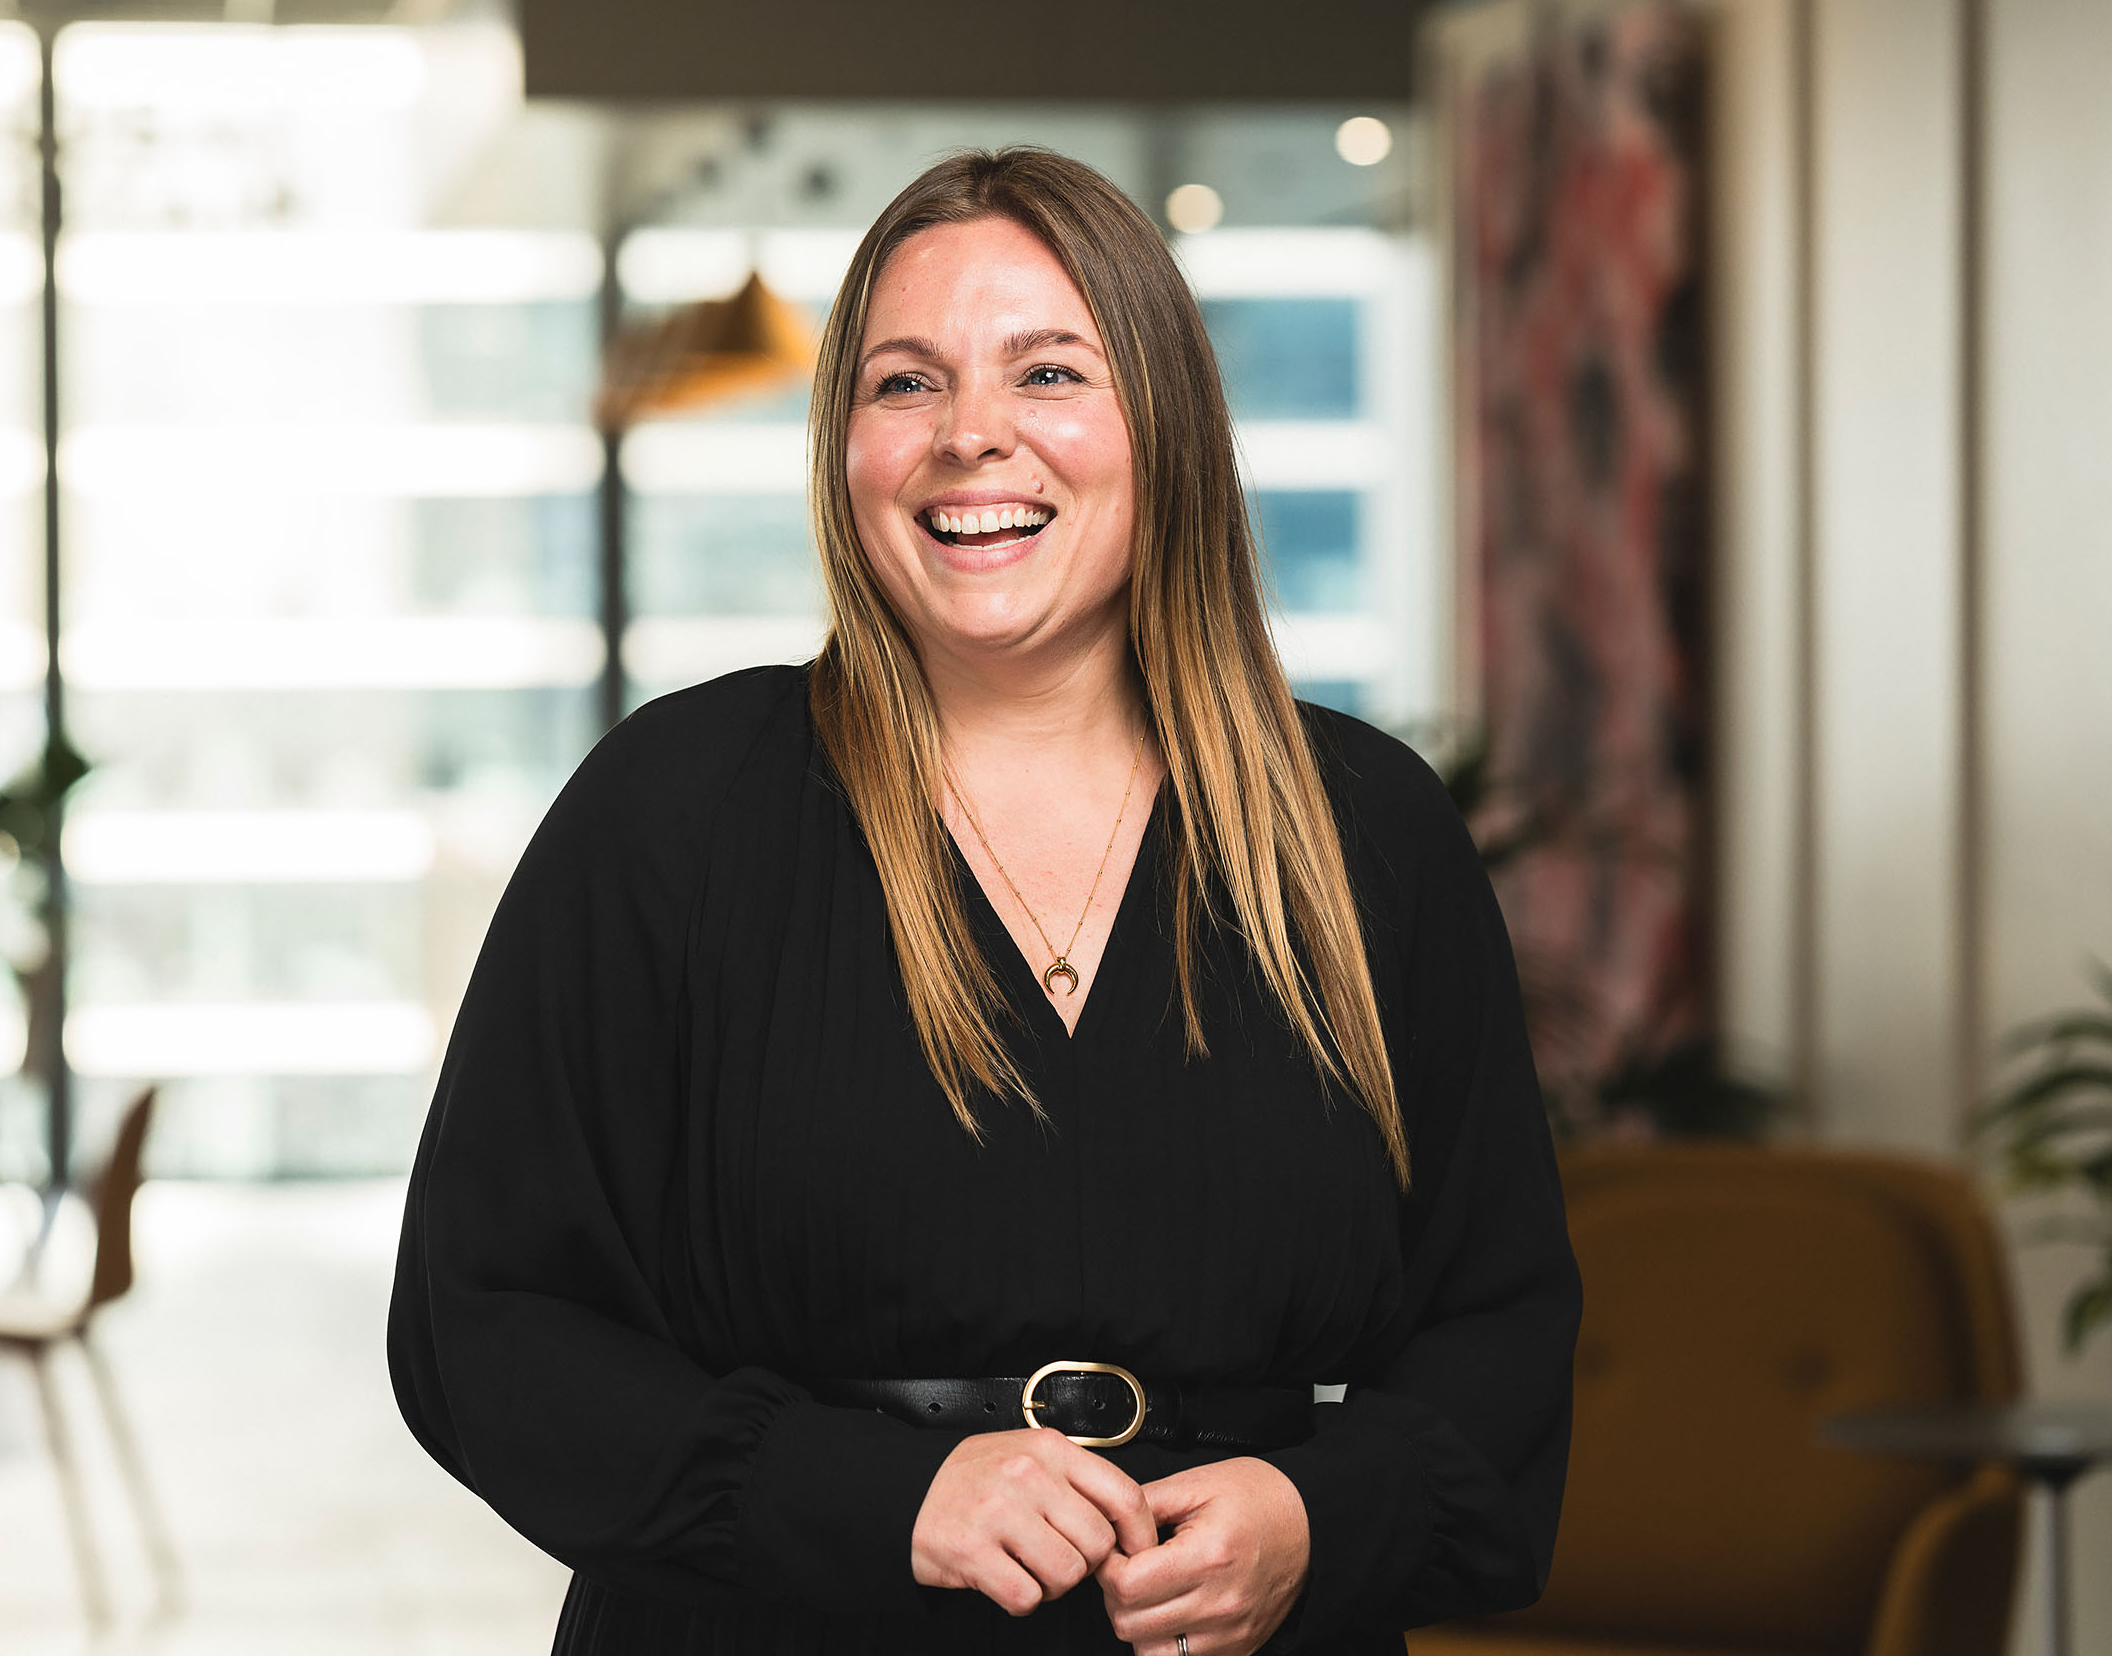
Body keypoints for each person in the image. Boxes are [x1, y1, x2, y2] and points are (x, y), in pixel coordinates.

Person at [390, 147, 1579, 1656]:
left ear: (1166, 425)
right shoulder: (671, 813)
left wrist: (1313, 1520)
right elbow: (485, 1321)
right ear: (844, 448)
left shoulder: (1368, 833)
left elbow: (1505, 1321)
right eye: (905, 385)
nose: (972, 439)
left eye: (1049, 374)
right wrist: (877, 1496)